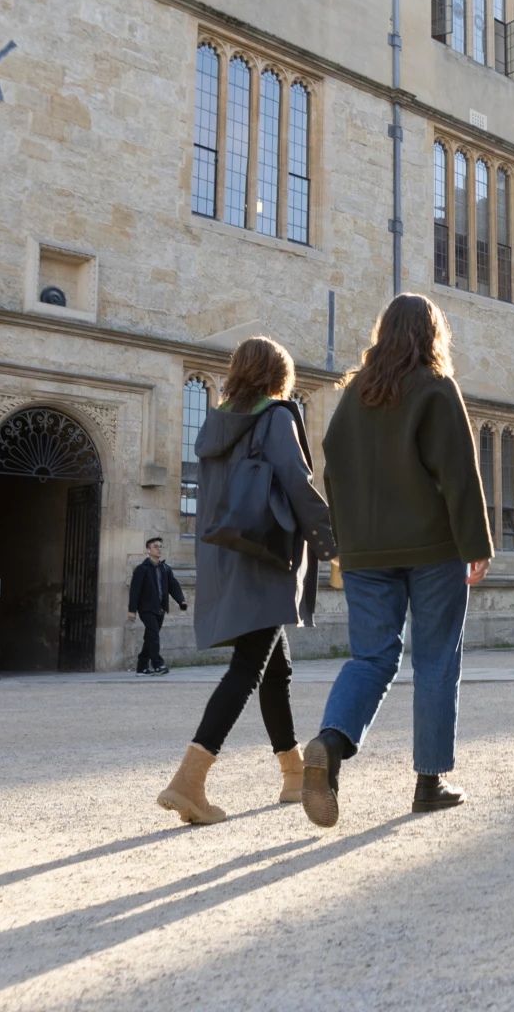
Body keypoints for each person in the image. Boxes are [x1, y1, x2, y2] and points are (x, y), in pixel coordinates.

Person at [303, 294, 493, 827]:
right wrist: (476, 546)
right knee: (435, 659)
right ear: (433, 335)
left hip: (366, 551)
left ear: (383, 332)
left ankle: (330, 744)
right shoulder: (436, 388)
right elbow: (459, 473)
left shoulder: (353, 395)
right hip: (433, 549)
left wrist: (343, 542)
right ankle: (429, 783)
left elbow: (332, 470)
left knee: (372, 658)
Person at [156, 337, 333, 826]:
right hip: (266, 557)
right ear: (279, 378)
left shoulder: (215, 424)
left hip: (229, 556)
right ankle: (189, 781)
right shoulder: (276, 417)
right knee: (248, 667)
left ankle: (293, 773)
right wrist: (332, 547)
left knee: (276, 669)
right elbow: (298, 484)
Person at [127, 536, 188, 675]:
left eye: (160, 546)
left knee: (150, 636)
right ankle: (158, 664)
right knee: (153, 635)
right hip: (146, 608)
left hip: (160, 608)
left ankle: (142, 667)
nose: (159, 549)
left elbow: (173, 585)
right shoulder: (142, 569)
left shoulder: (165, 568)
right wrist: (132, 610)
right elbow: (134, 591)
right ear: (148, 550)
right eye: (156, 546)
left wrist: (181, 600)